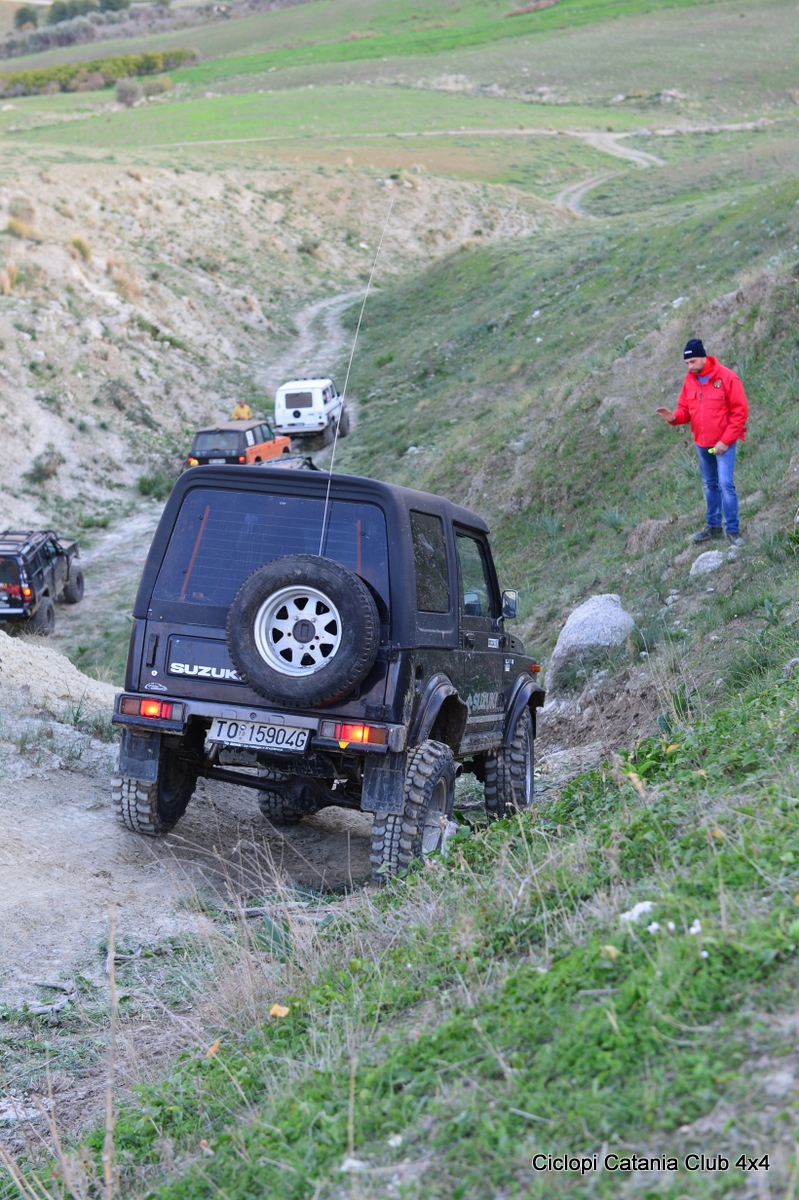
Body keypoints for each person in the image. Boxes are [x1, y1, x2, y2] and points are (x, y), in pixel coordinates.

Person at [655, 338, 748, 547]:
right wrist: (673, 417)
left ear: (704, 357)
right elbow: (685, 410)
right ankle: (713, 528)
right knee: (710, 485)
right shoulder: (690, 381)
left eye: (693, 362)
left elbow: (740, 412)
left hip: (723, 445)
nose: (690, 367)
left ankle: (733, 531)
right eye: (687, 363)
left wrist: (725, 441)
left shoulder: (727, 377)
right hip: (702, 444)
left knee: (726, 485)